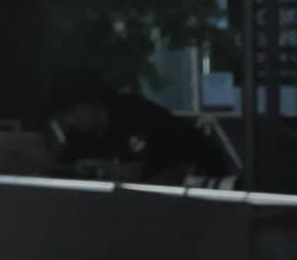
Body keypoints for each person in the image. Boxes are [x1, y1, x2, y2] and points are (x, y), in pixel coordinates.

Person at [51, 78, 234, 185]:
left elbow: (133, 179)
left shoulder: (130, 115)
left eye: (73, 111)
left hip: (204, 183)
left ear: (93, 104)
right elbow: (60, 170)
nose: (70, 120)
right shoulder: (82, 131)